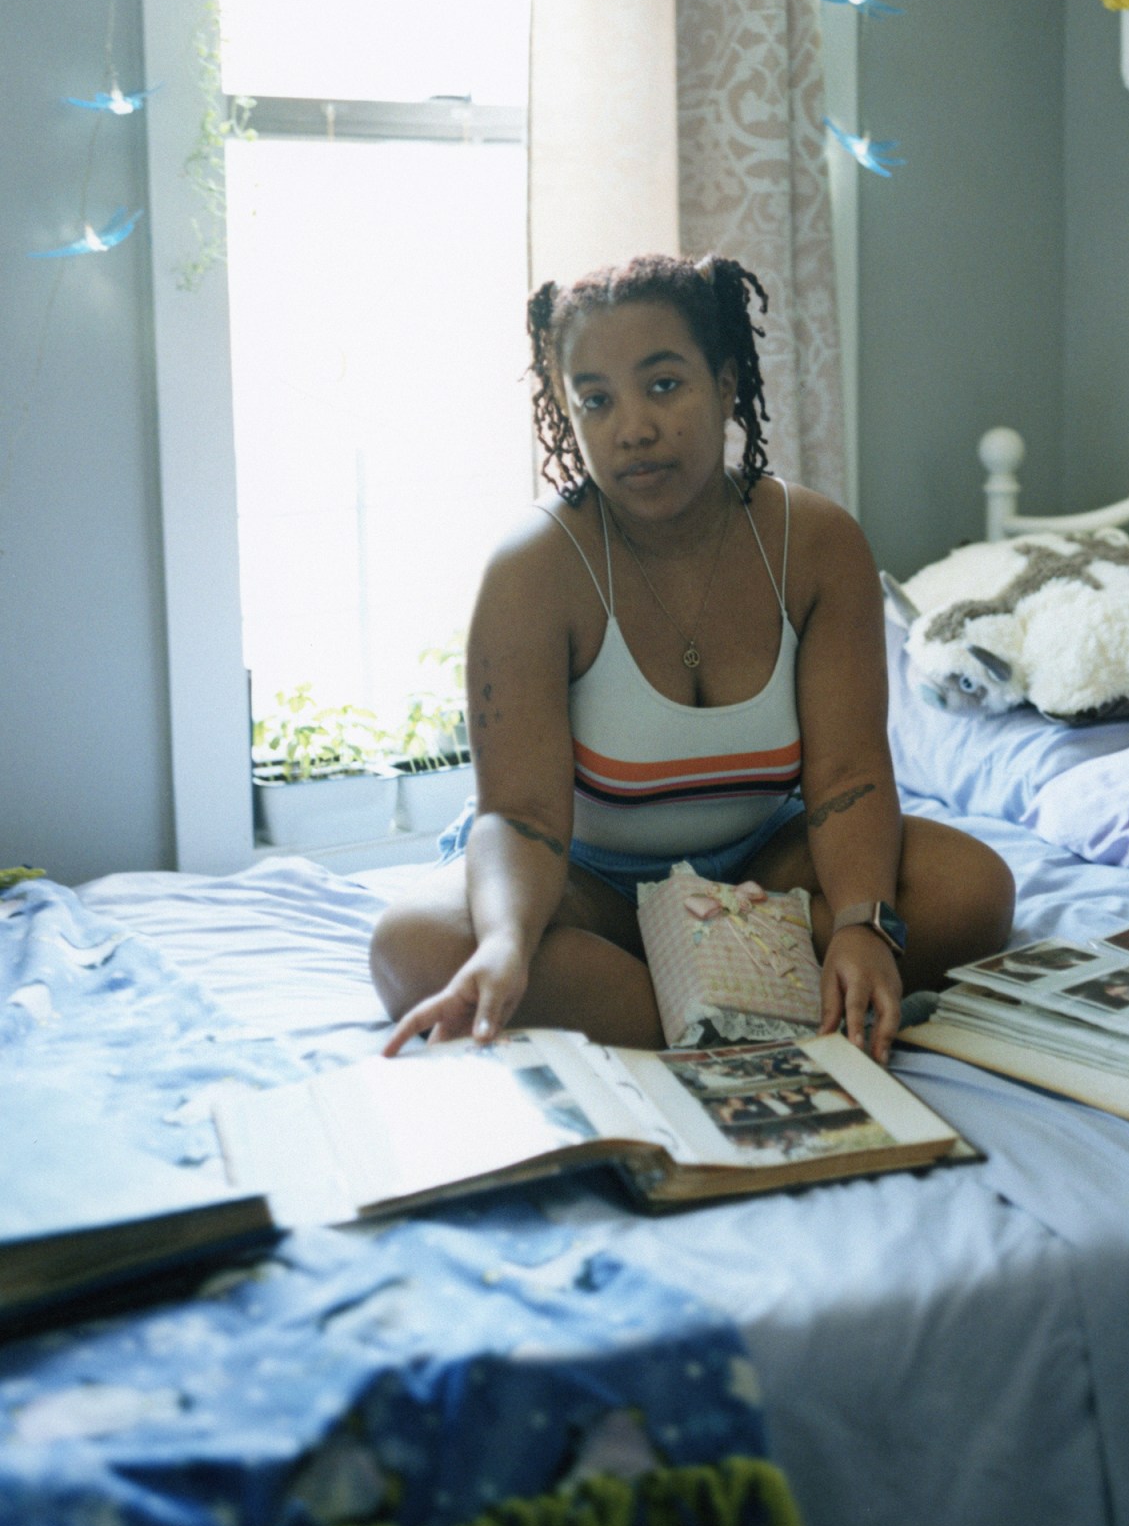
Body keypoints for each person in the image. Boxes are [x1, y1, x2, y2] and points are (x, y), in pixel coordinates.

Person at [370, 254, 1014, 1065]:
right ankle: (740, 1003)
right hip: (586, 882)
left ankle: (689, 997)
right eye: (595, 400)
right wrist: (504, 945)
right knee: (415, 945)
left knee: (973, 891)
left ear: (726, 382)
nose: (632, 427)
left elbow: (849, 776)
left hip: (761, 870)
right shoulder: (534, 569)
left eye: (664, 385)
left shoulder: (815, 544)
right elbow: (521, 818)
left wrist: (862, 923)